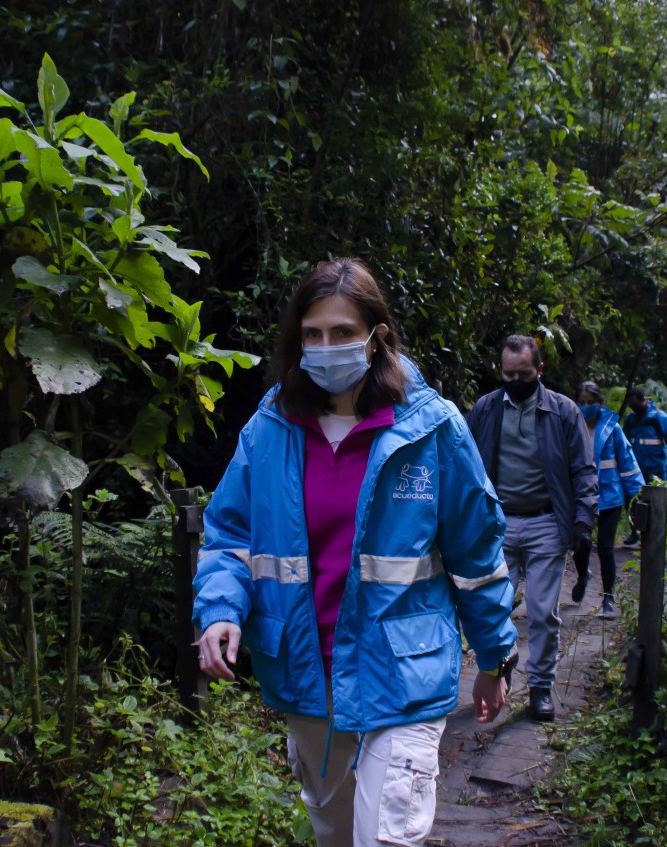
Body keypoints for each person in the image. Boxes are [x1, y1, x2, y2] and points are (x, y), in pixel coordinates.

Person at [194, 258, 518, 847]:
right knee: (335, 834)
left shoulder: (432, 430)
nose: (326, 347)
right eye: (312, 335)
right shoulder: (270, 429)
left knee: (388, 838)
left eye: (343, 333)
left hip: (404, 676)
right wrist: (219, 610)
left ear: (377, 338)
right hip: (305, 674)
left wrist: (495, 659)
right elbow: (229, 535)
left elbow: (477, 558)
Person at [466, 336, 598, 722]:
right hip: (498, 525)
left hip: (545, 524)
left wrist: (583, 520)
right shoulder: (486, 409)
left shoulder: (563, 412)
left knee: (542, 611)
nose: (516, 380)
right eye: (509, 374)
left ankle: (540, 687)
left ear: (539, 371)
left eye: (524, 373)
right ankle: (499, 668)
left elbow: (583, 469)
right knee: (493, 608)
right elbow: (467, 463)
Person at [576, 381, 644, 619]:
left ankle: (608, 598)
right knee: (581, 543)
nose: (586, 407)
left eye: (590, 402)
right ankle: (583, 575)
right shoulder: (571, 425)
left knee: (605, 548)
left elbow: (626, 462)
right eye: (582, 402)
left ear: (599, 403)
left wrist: (638, 495)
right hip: (582, 496)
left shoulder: (612, 429)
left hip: (610, 496)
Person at [621, 387, 667, 546]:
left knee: (656, 504)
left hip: (656, 469)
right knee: (632, 501)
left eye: (634, 403)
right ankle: (635, 532)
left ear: (643, 400)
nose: (632, 406)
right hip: (635, 469)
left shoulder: (658, 418)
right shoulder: (630, 420)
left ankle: (656, 537)